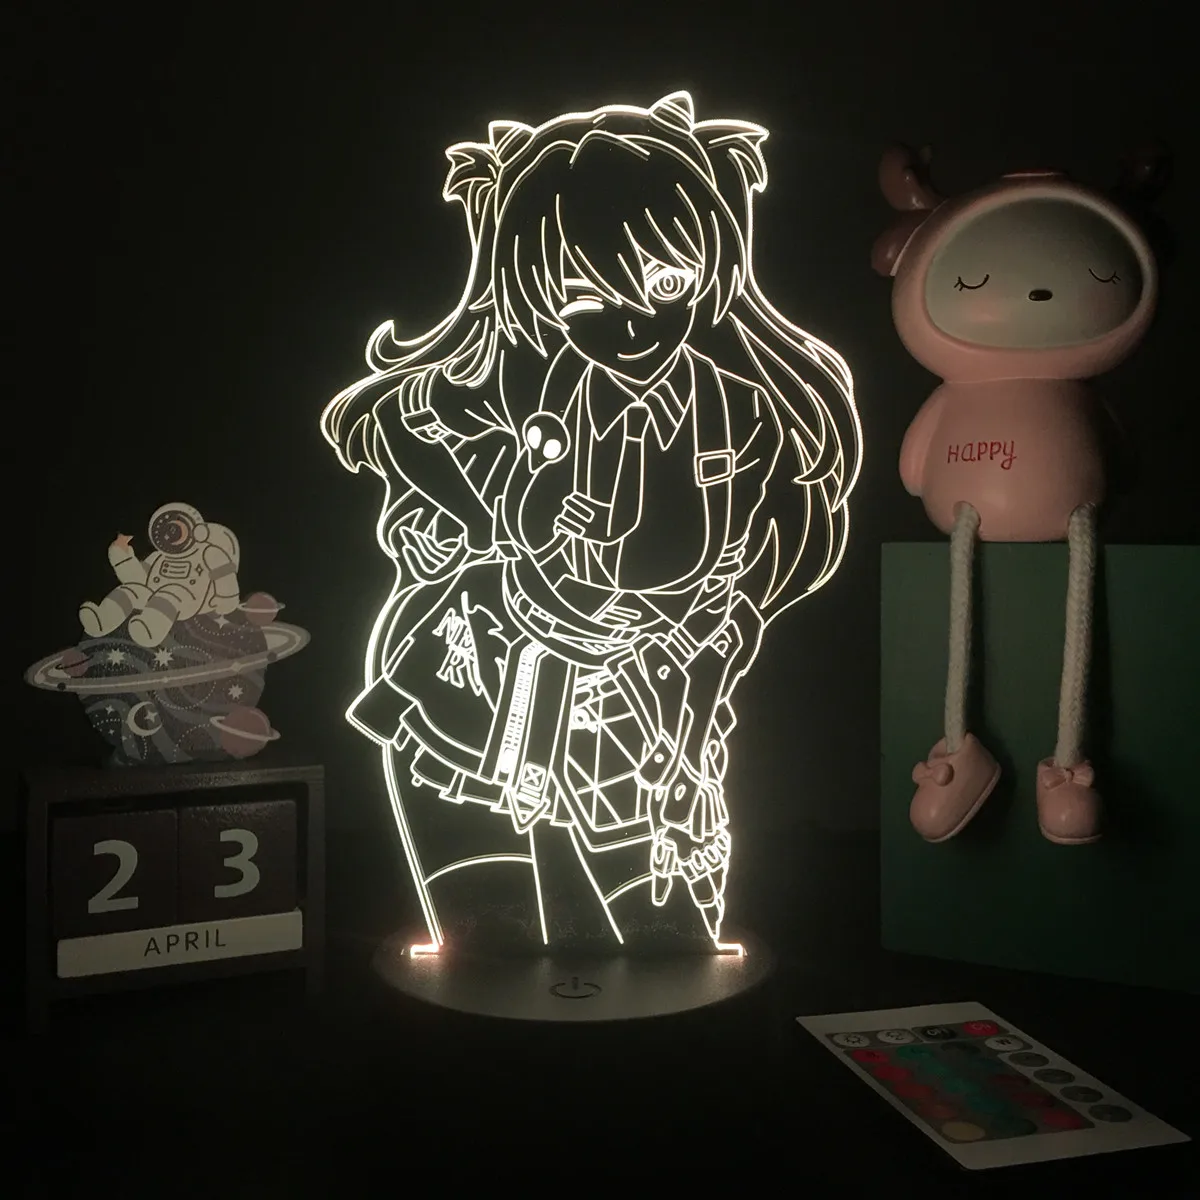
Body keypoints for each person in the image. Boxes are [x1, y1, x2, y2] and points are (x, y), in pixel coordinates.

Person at [321, 90, 862, 953]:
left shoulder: (743, 415)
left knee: (665, 926)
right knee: (483, 915)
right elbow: (410, 426)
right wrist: (452, 515)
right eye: (583, 299)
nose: (632, 323)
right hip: (491, 663)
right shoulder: (528, 386)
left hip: (646, 691)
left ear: (711, 269)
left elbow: (730, 611)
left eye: (666, 282)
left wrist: (686, 746)